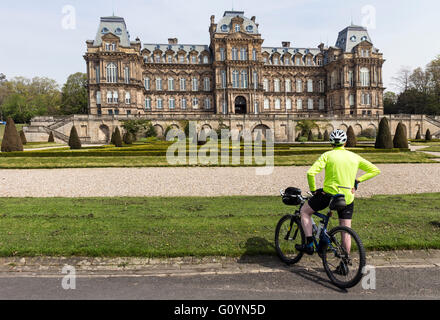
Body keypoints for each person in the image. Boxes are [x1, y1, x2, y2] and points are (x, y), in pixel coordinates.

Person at [295, 129, 381, 274]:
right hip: (347, 197)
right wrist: (358, 180)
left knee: (304, 211)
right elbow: (375, 170)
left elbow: (310, 173)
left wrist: (314, 189)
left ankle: (309, 243)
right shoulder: (354, 156)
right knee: (346, 230)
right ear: (345, 142)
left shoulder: (327, 155)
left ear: (331, 143)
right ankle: (344, 265)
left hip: (328, 196)